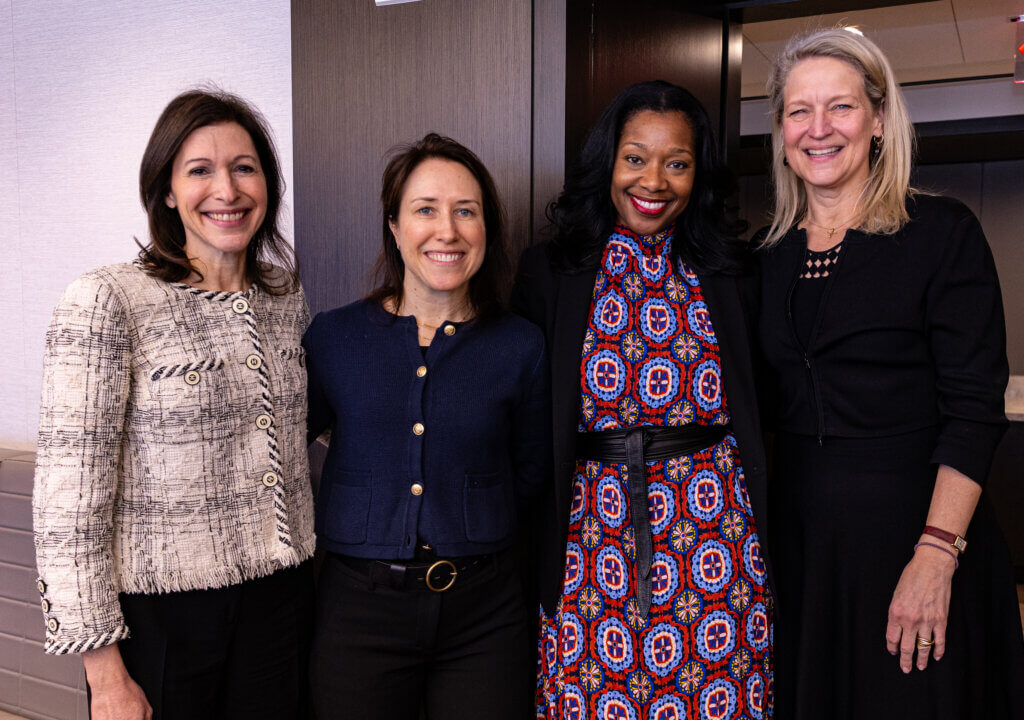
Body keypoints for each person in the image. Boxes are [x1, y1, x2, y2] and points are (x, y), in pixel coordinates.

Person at [755, 28, 1024, 719]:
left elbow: (973, 409)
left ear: (878, 119)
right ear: (781, 128)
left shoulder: (942, 233)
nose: (819, 129)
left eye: (840, 108)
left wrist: (936, 556)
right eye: (798, 110)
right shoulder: (762, 257)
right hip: (803, 556)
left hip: (917, 541)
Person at [32, 89, 315, 720]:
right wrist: (105, 676)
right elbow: (68, 504)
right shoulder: (108, 299)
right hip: (160, 617)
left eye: (245, 167)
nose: (228, 189)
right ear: (166, 191)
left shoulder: (283, 295)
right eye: (200, 170)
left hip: (281, 602)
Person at [514, 81, 774, 719]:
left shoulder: (734, 271)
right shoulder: (551, 271)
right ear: (608, 162)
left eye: (676, 163)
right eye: (635, 158)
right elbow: (521, 411)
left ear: (698, 173)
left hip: (717, 539)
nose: (653, 181)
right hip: (592, 541)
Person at [304, 133, 548, 719]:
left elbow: (533, 475)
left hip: (485, 614)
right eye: (425, 210)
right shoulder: (334, 337)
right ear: (393, 226)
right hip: (356, 610)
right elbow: (283, 451)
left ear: (487, 227)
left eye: (466, 211)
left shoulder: (520, 345)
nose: (448, 230)